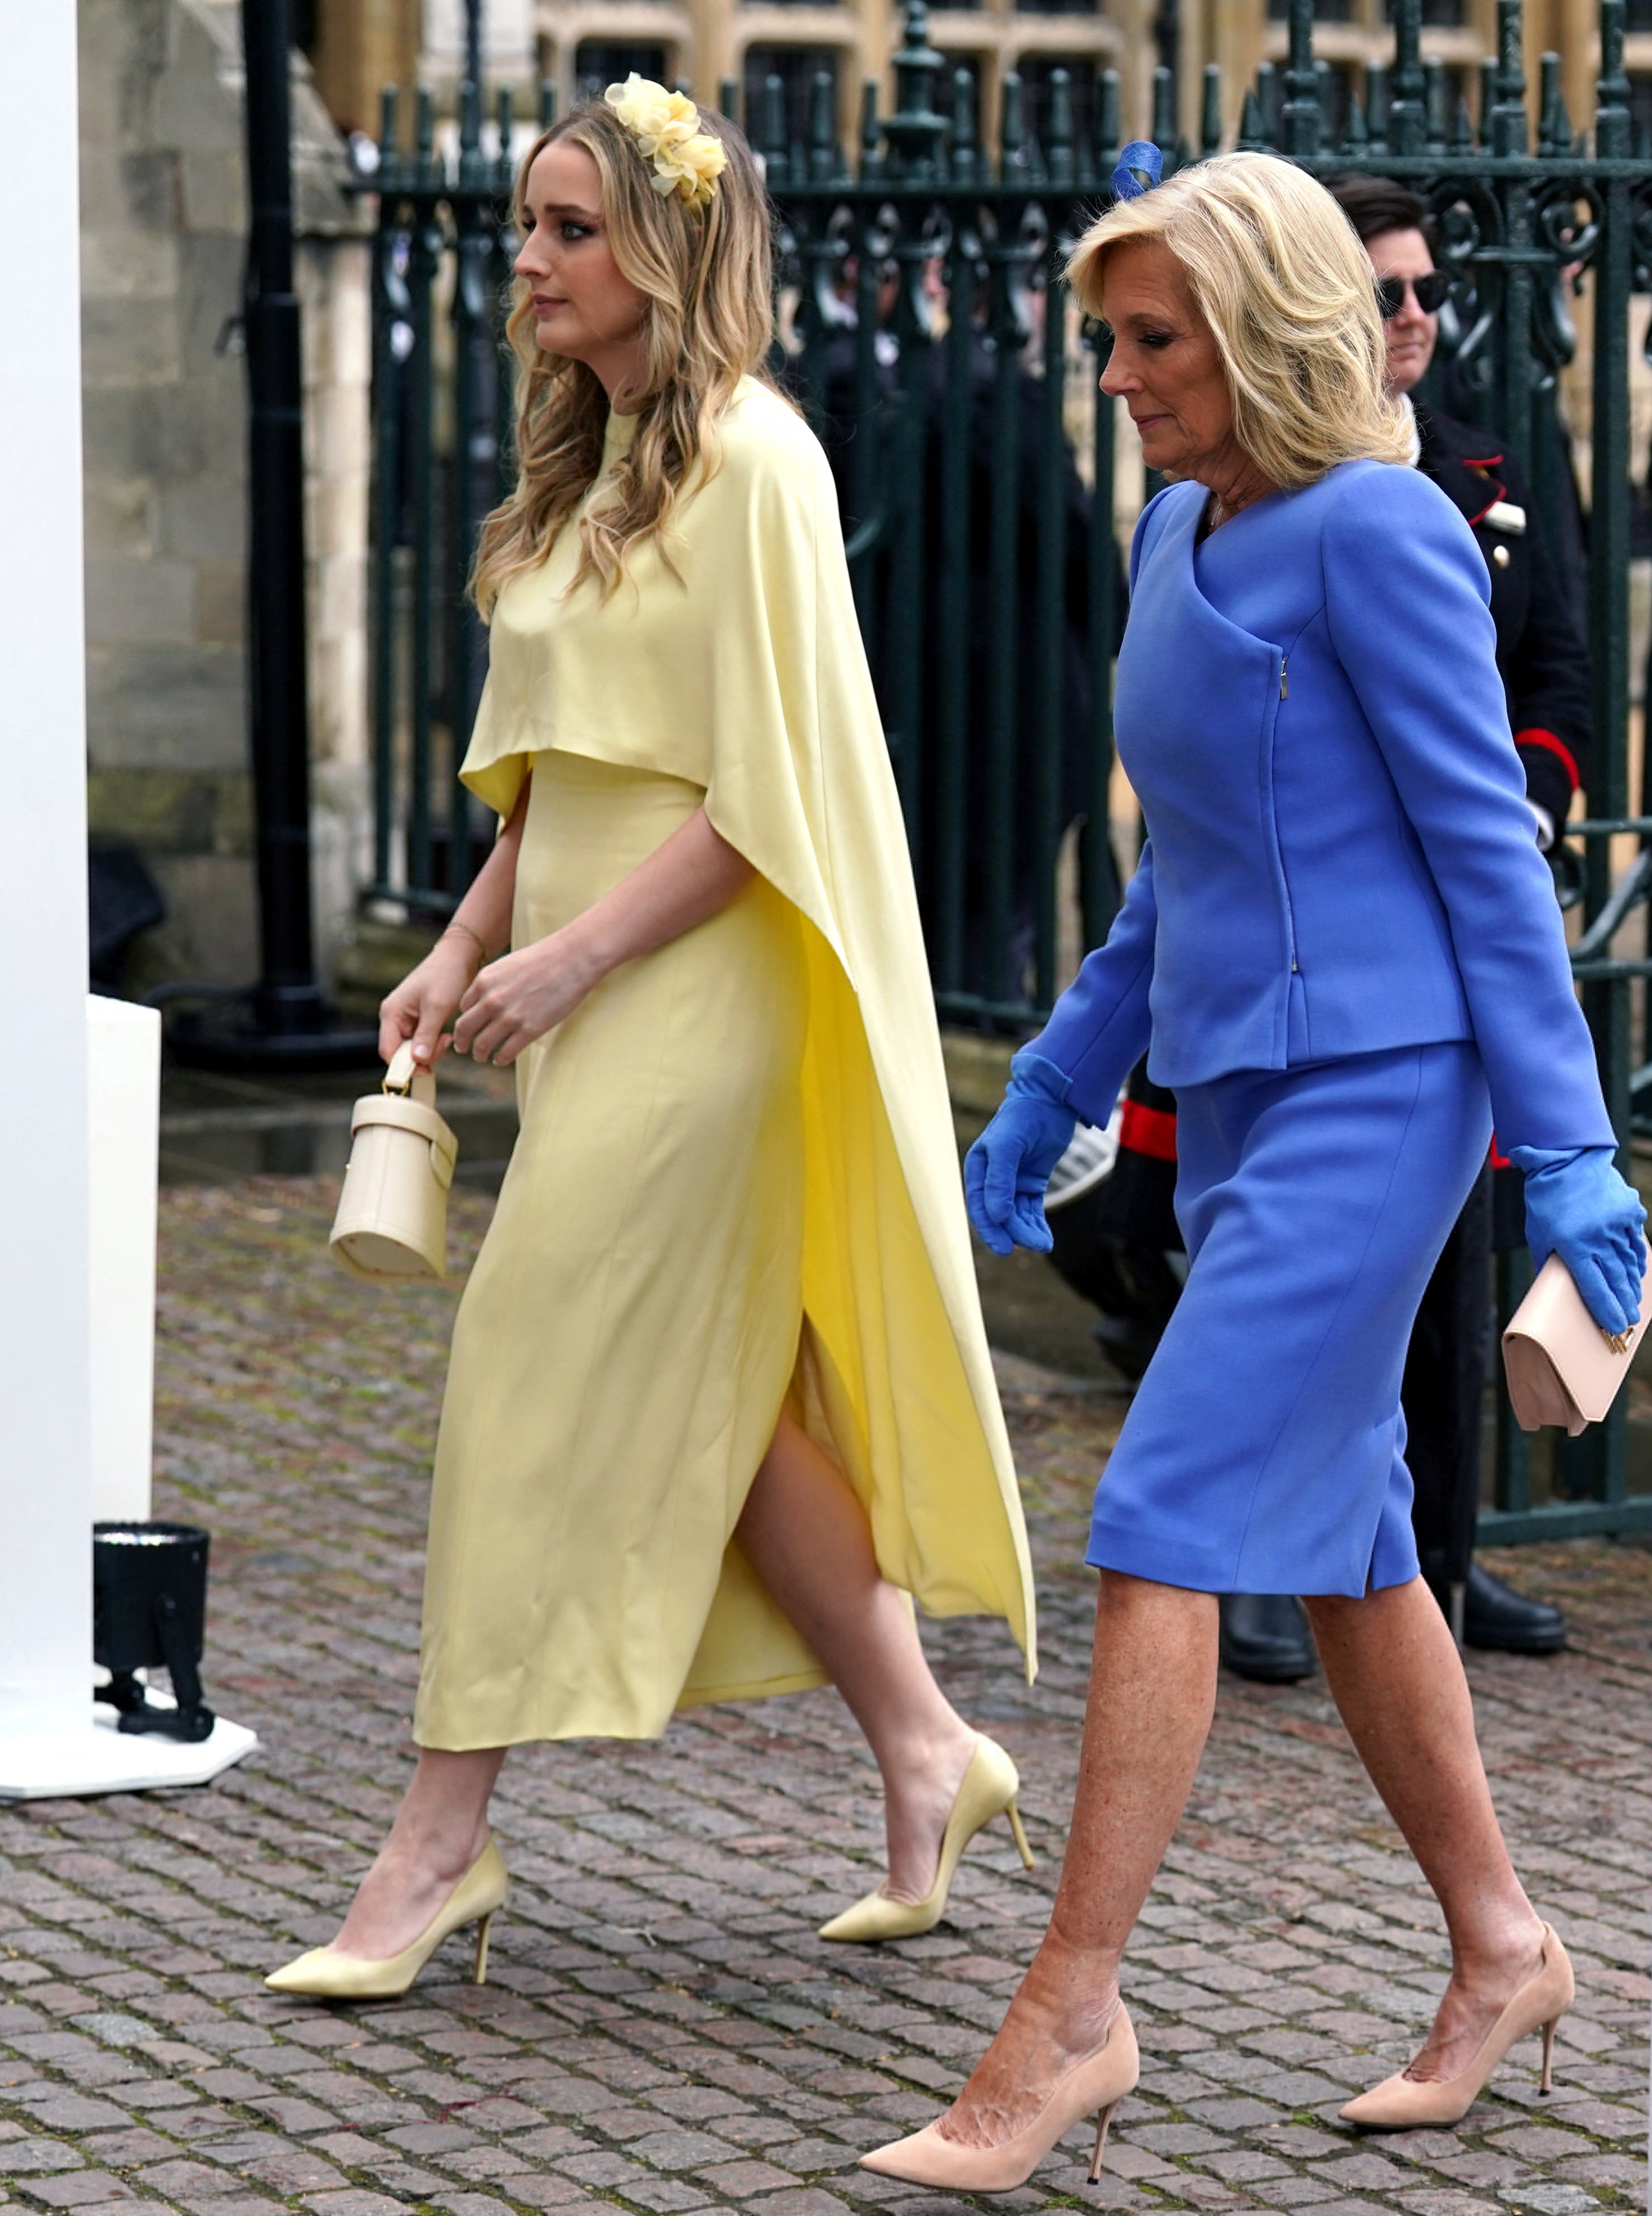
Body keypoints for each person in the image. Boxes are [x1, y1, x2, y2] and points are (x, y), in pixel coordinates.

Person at [859, 151, 1646, 2191]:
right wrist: (1052, 1088)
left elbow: (1489, 851)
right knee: (1358, 1544)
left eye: (1154, 338)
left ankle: (1069, 2015)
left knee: (1164, 1509)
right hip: (1233, 1102)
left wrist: (1566, 1152)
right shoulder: (1169, 532)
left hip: (1389, 1098)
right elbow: (1174, 874)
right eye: (1108, 338)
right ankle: (1502, 1948)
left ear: (1262, 329)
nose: (1115, 374)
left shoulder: (1380, 530)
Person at [263, 80, 1036, 2001]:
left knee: (523, 1355)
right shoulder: (580, 468)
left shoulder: (758, 464)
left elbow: (763, 793)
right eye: (526, 225)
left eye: (570, 231)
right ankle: (930, 1754)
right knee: (740, 1409)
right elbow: (556, 789)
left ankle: (438, 1843)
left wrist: (574, 965)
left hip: (709, 990)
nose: (528, 261)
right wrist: (462, 951)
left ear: (669, 251)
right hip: (593, 970)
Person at [1206, 173, 1595, 1682]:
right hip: (1313, 938)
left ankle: (1438, 1553)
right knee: (1282, 1266)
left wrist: (1533, 810)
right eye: (1387, 292)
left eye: (1430, 290)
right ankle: (1250, 1561)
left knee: (1453, 1267)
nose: (1419, 317)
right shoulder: (1247, 494)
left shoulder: (1491, 450)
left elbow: (1555, 660)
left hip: (1464, 923)